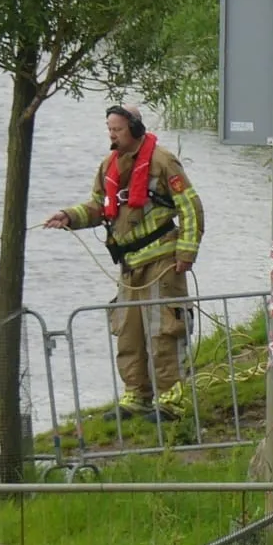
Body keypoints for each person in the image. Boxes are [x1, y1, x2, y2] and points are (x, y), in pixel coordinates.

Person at [45, 106, 203, 420]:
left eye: (116, 129)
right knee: (128, 331)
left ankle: (171, 402)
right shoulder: (109, 165)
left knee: (163, 331)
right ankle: (136, 397)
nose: (111, 135)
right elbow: (97, 206)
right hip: (130, 266)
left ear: (133, 128)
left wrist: (185, 254)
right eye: (109, 129)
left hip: (161, 260)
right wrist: (70, 217)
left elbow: (190, 208)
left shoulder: (163, 162)